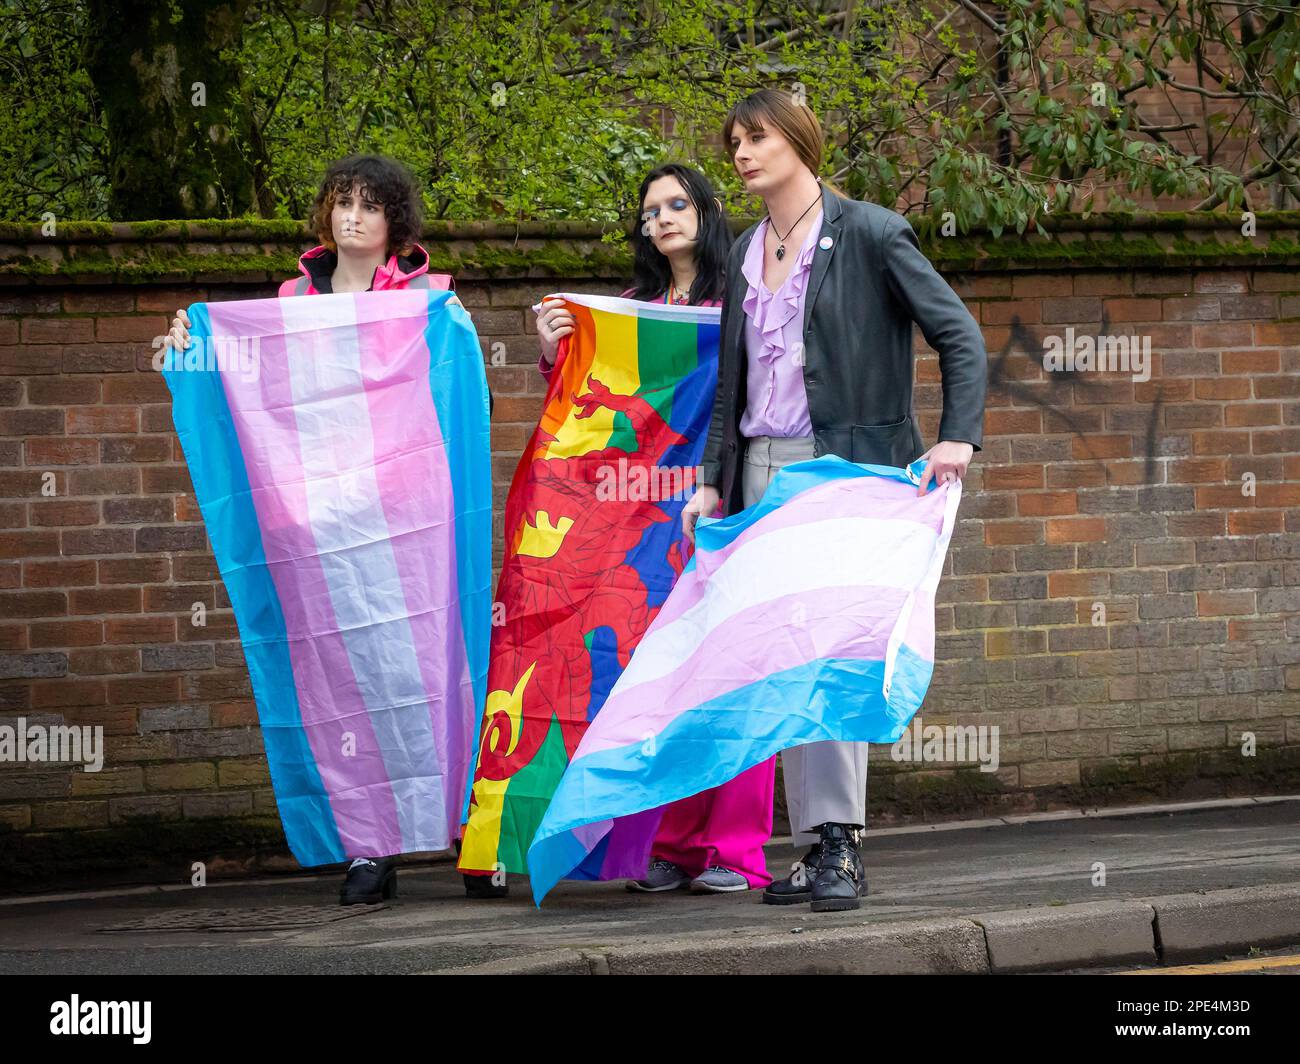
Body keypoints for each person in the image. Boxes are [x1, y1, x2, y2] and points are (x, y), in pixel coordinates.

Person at [164, 153, 499, 904]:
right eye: (340, 202)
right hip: (322, 525)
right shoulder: (289, 299)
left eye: (369, 205)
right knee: (343, 687)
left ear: (394, 223)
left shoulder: (425, 302)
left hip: (409, 522)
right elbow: (251, 379)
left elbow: (458, 397)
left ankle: (468, 836)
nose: (351, 216)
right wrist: (197, 339)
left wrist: (462, 337)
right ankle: (368, 847)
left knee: (431, 669)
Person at [682, 89, 987, 912]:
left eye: (756, 137)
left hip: (843, 473)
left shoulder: (873, 233)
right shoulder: (745, 249)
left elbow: (958, 333)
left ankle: (843, 846)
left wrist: (957, 435)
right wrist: (714, 479)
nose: (741, 153)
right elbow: (732, 386)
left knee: (834, 659)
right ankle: (812, 848)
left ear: (799, 141)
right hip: (759, 476)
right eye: (735, 141)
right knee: (783, 660)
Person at [533, 163, 779, 895]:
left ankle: (736, 853)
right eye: (651, 211)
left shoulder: (746, 293)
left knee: (734, 673)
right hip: (648, 523)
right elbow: (593, 414)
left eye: (678, 204)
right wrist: (557, 351)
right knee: (665, 675)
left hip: (730, 499)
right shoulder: (633, 310)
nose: (664, 218)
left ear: (706, 210)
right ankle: (671, 845)